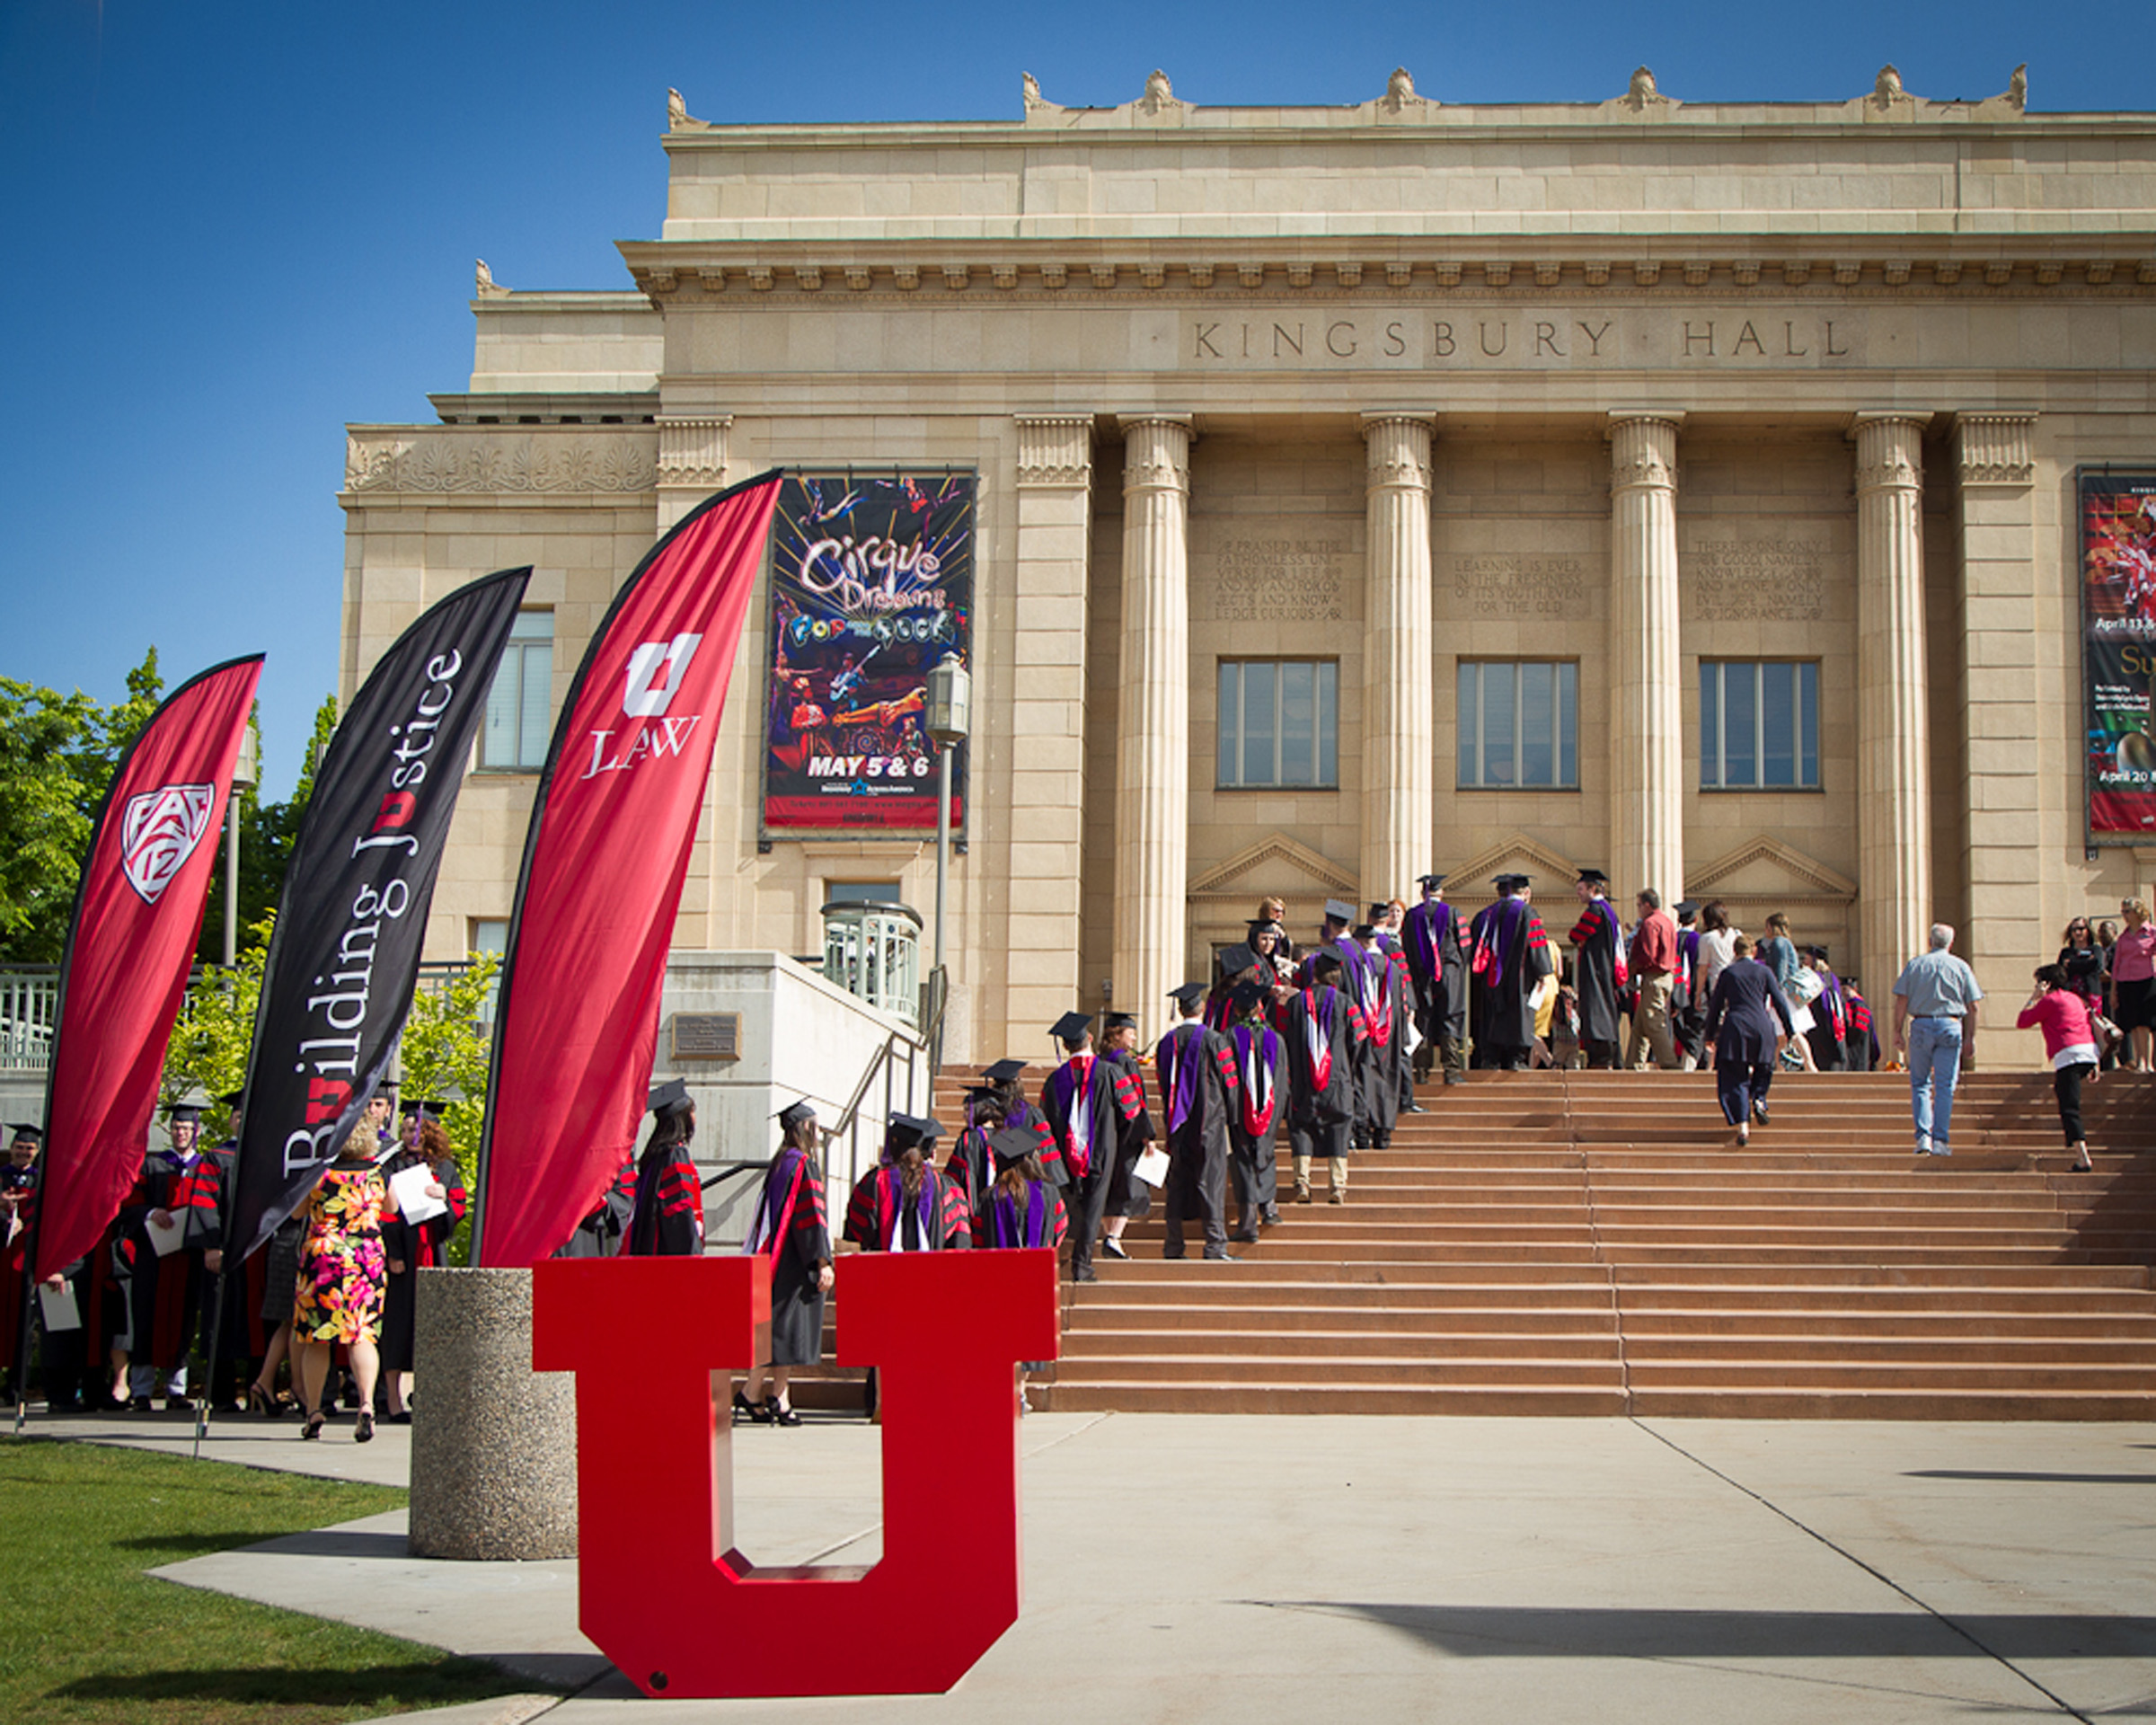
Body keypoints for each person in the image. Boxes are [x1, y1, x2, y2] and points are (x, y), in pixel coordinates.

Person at [114, 1100, 225, 1411]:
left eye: (187, 1129)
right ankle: (142, 1390)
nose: (181, 1133)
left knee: (184, 1320)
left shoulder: (206, 1166)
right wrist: (150, 1212)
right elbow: (129, 1203)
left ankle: (177, 1389)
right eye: (176, 1128)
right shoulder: (151, 1165)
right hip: (154, 1257)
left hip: (189, 1257)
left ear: (197, 1131)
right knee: (146, 1317)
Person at [293, 1122, 390, 1442]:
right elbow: (392, 1209)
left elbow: (296, 1213)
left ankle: (314, 1410)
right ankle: (365, 1405)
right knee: (362, 1333)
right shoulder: (378, 1173)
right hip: (366, 1257)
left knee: (318, 1336)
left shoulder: (319, 1173)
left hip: (324, 1256)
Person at [739, 1101, 832, 1428]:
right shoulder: (803, 1164)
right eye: (816, 1127)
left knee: (782, 1332)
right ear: (806, 1128)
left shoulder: (780, 1162)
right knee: (783, 1332)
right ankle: (759, 1393)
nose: (818, 1134)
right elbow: (812, 1217)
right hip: (796, 1262)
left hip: (778, 1259)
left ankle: (775, 1396)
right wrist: (822, 1259)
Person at [376, 1101, 464, 1423]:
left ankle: (427, 1395)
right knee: (398, 1324)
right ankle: (392, 1400)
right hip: (403, 1256)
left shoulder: (445, 1168)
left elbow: (459, 1205)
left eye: (417, 1128)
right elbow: (383, 1214)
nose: (411, 1134)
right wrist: (394, 1253)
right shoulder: (392, 1165)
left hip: (432, 1253)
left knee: (432, 1324)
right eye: (407, 1128)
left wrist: (443, 1196)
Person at [1040, 1012, 1143, 1283]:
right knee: (1095, 1202)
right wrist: (1121, 1138)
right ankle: (1082, 1264)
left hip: (1064, 1153)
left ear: (1065, 1046)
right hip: (1102, 1150)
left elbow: (1045, 1118)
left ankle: (1064, 1257)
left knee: (1074, 1202)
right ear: (1089, 1038)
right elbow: (1132, 1112)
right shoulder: (1111, 1073)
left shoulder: (1054, 1081)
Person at [975, 1126, 1069, 1411]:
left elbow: (978, 1238)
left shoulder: (990, 1197)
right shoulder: (1049, 1194)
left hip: (996, 1278)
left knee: (1001, 1331)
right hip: (1034, 1277)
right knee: (1028, 1331)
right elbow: (1061, 1228)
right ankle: (1021, 1392)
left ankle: (1005, 1389)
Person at [1155, 981, 1241, 1257]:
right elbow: (1230, 1081)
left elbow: (1162, 1082)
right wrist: (1234, 1116)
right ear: (1202, 1008)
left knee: (1178, 1180)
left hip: (1177, 1124)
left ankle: (1173, 1245)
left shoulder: (1166, 1043)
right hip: (1209, 1121)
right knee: (1211, 1179)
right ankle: (1215, 1244)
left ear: (1180, 1010)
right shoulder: (1215, 1039)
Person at [1891, 924, 1985, 1156]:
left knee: (1921, 1084)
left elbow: (1901, 1000)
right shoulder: (1961, 966)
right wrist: (1971, 1037)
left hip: (1921, 1024)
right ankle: (1941, 1140)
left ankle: (1923, 1137)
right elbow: (1974, 1005)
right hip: (1951, 1024)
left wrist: (1897, 1031)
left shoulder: (1916, 965)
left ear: (1930, 941)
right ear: (1950, 943)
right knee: (1945, 1087)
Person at [1701, 934, 1796, 1148]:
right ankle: (1760, 1098)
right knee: (1764, 1067)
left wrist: (1709, 1035)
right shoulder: (1765, 972)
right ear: (1754, 952)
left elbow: (1715, 1006)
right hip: (1762, 1026)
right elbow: (1780, 1002)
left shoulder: (1728, 973)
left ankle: (1743, 1126)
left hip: (1736, 1026)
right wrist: (1790, 1031)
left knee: (1735, 1078)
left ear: (1735, 952)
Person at [1286, 952, 1362, 1203]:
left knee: (1301, 1125)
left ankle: (1302, 1183)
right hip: (1337, 1077)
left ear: (1314, 973)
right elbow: (1359, 1040)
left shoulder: (1295, 1003)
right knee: (1339, 1125)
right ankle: (1337, 1186)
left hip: (1303, 1077)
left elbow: (1286, 1040)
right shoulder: (1346, 1002)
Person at [2016, 966, 2100, 1172]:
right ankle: (2073, 1145)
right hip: (2088, 1051)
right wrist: (2095, 1062)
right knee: (2063, 1094)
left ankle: (2082, 1157)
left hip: (2068, 1055)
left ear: (2046, 984)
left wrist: (2034, 997)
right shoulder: (2075, 999)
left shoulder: (2050, 1001)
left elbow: (2023, 1021)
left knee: (2069, 1108)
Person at [1222, 981, 1286, 1242]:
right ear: (1260, 1007)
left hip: (1239, 1111)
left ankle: (1248, 1224)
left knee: (1244, 1161)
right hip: (1269, 1109)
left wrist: (1230, 1110)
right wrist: (1275, 1110)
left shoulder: (1227, 1037)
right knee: (1266, 1153)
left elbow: (1225, 1077)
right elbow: (1281, 1080)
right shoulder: (1276, 1039)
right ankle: (1269, 1208)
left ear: (1236, 1010)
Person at [1470, 875, 1554, 1071]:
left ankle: (1491, 1059)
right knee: (1517, 1014)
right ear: (1526, 893)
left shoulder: (1485, 915)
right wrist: (1542, 971)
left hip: (1492, 979)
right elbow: (1537, 945)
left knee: (1492, 1016)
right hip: (1519, 979)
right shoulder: (1528, 913)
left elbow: (1475, 948)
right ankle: (1516, 1059)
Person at [1096, 1013, 1156, 1261]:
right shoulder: (1126, 1063)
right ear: (1118, 1035)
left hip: (1102, 1132)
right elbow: (1136, 1101)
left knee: (1109, 1186)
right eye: (1130, 1032)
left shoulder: (1099, 1063)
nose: (1134, 1037)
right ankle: (1114, 1237)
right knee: (1128, 1186)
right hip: (1126, 1133)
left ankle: (1109, 1237)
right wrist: (1146, 1134)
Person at [1401, 873, 1470, 1086]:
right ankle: (1451, 1071)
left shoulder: (1412, 916)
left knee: (1424, 1019)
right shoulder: (1453, 913)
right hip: (1449, 973)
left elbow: (1408, 947)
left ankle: (1421, 1072)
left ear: (1424, 893)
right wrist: (1458, 969)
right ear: (1441, 892)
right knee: (1450, 1018)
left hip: (1421, 975)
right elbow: (1465, 946)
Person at [625, 1080, 705, 1257]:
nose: (694, 1118)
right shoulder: (675, 1155)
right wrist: (691, 1253)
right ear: (682, 1117)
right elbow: (679, 1209)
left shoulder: (656, 1154)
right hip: (670, 1253)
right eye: (692, 1112)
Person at [1347, 920, 1405, 1150]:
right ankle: (1384, 1134)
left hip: (1363, 1034)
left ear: (1359, 942)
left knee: (1362, 1078)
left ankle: (1362, 1132)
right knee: (1387, 1079)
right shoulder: (1395, 969)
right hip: (1389, 1035)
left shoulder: (1354, 967)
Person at [1567, 871, 1627, 1068]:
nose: (1579, 894)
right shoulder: (1609, 911)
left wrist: (1577, 938)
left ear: (1593, 889)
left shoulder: (1596, 910)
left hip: (1597, 968)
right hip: (1605, 968)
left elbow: (1576, 935)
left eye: (1581, 890)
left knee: (1597, 1009)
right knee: (1606, 1009)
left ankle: (1601, 1057)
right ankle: (1611, 1057)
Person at [1625, 889, 1680, 1070]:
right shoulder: (1667, 922)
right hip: (1665, 976)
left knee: (1653, 1021)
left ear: (1647, 905)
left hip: (1654, 977)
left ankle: (1669, 1064)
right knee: (1640, 1025)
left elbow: (1649, 954)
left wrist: (1632, 967)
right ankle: (1633, 1064)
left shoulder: (1650, 923)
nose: (1639, 909)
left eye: (1639, 905)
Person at [1758, 913, 1819, 1073]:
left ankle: (1809, 1064)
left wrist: (1774, 991)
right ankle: (1780, 1068)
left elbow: (1780, 970)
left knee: (1792, 1031)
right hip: (1786, 993)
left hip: (1784, 993)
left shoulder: (1778, 943)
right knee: (1781, 1035)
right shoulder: (1786, 943)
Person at [2109, 898, 2156, 1073]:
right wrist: (2114, 991)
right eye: (2123, 912)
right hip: (2126, 982)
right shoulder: (2123, 937)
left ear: (2137, 912)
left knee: (2146, 1023)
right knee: (2134, 1024)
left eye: (2127, 911)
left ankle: (2149, 1062)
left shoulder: (2151, 932)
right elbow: (2116, 965)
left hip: (2146, 980)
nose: (2125, 915)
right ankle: (2139, 1061)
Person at [1692, 901, 1740, 1032]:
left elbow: (1702, 969)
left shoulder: (1706, 938)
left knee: (1718, 1023)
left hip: (1717, 983)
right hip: (1736, 982)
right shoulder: (1736, 934)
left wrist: (1698, 994)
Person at [1670, 901, 1705, 1069]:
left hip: (1675, 992)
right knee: (1695, 1032)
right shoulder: (1698, 940)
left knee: (1679, 1031)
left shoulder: (1673, 939)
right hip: (1693, 993)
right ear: (1696, 919)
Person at [1842, 974, 1878, 1074]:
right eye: (1843, 990)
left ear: (1855, 989)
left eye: (1846, 989)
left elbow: (1857, 1033)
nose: (1845, 993)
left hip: (1855, 1055)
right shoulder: (1862, 1006)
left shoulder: (1856, 1006)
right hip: (1861, 1055)